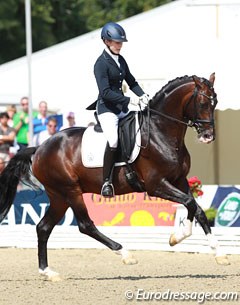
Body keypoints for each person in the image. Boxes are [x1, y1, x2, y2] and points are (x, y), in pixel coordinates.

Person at [92, 22, 149, 197]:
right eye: (116, 42)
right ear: (106, 41)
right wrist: (129, 99)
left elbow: (131, 81)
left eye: (120, 42)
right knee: (114, 140)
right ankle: (107, 182)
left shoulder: (121, 60)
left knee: (140, 127)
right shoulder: (100, 64)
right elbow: (106, 92)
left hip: (121, 107)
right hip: (107, 109)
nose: (119, 45)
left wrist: (143, 95)